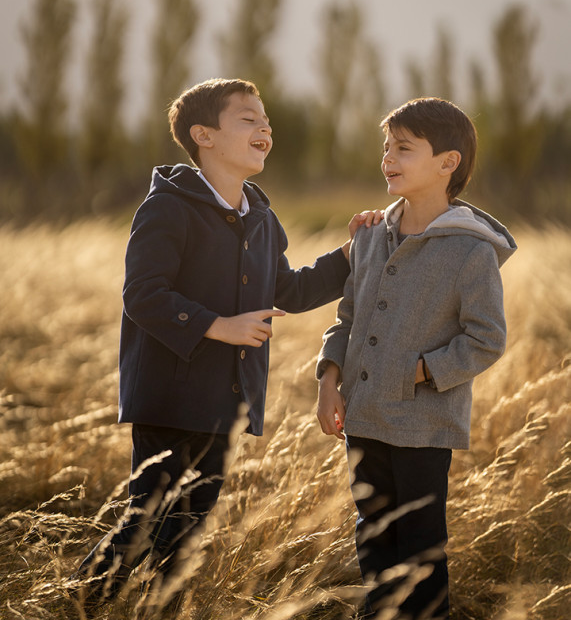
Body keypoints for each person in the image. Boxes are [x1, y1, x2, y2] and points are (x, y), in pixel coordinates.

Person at [73, 78, 379, 617]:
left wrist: (351, 254)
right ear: (203, 135)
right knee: (147, 521)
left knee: (187, 535)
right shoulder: (167, 207)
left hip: (227, 402)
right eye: (248, 118)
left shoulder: (260, 216)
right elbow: (142, 295)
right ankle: (76, 605)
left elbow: (288, 289)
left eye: (266, 121)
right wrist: (221, 326)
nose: (265, 127)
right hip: (169, 398)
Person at [316, 97, 517, 619]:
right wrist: (328, 379)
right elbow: (348, 317)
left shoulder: (470, 251)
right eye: (386, 148)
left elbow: (486, 337)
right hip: (363, 417)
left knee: (421, 548)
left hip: (424, 425)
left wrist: (421, 371)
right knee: (374, 537)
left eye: (404, 149)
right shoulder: (368, 236)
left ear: (447, 163)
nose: (388, 158)